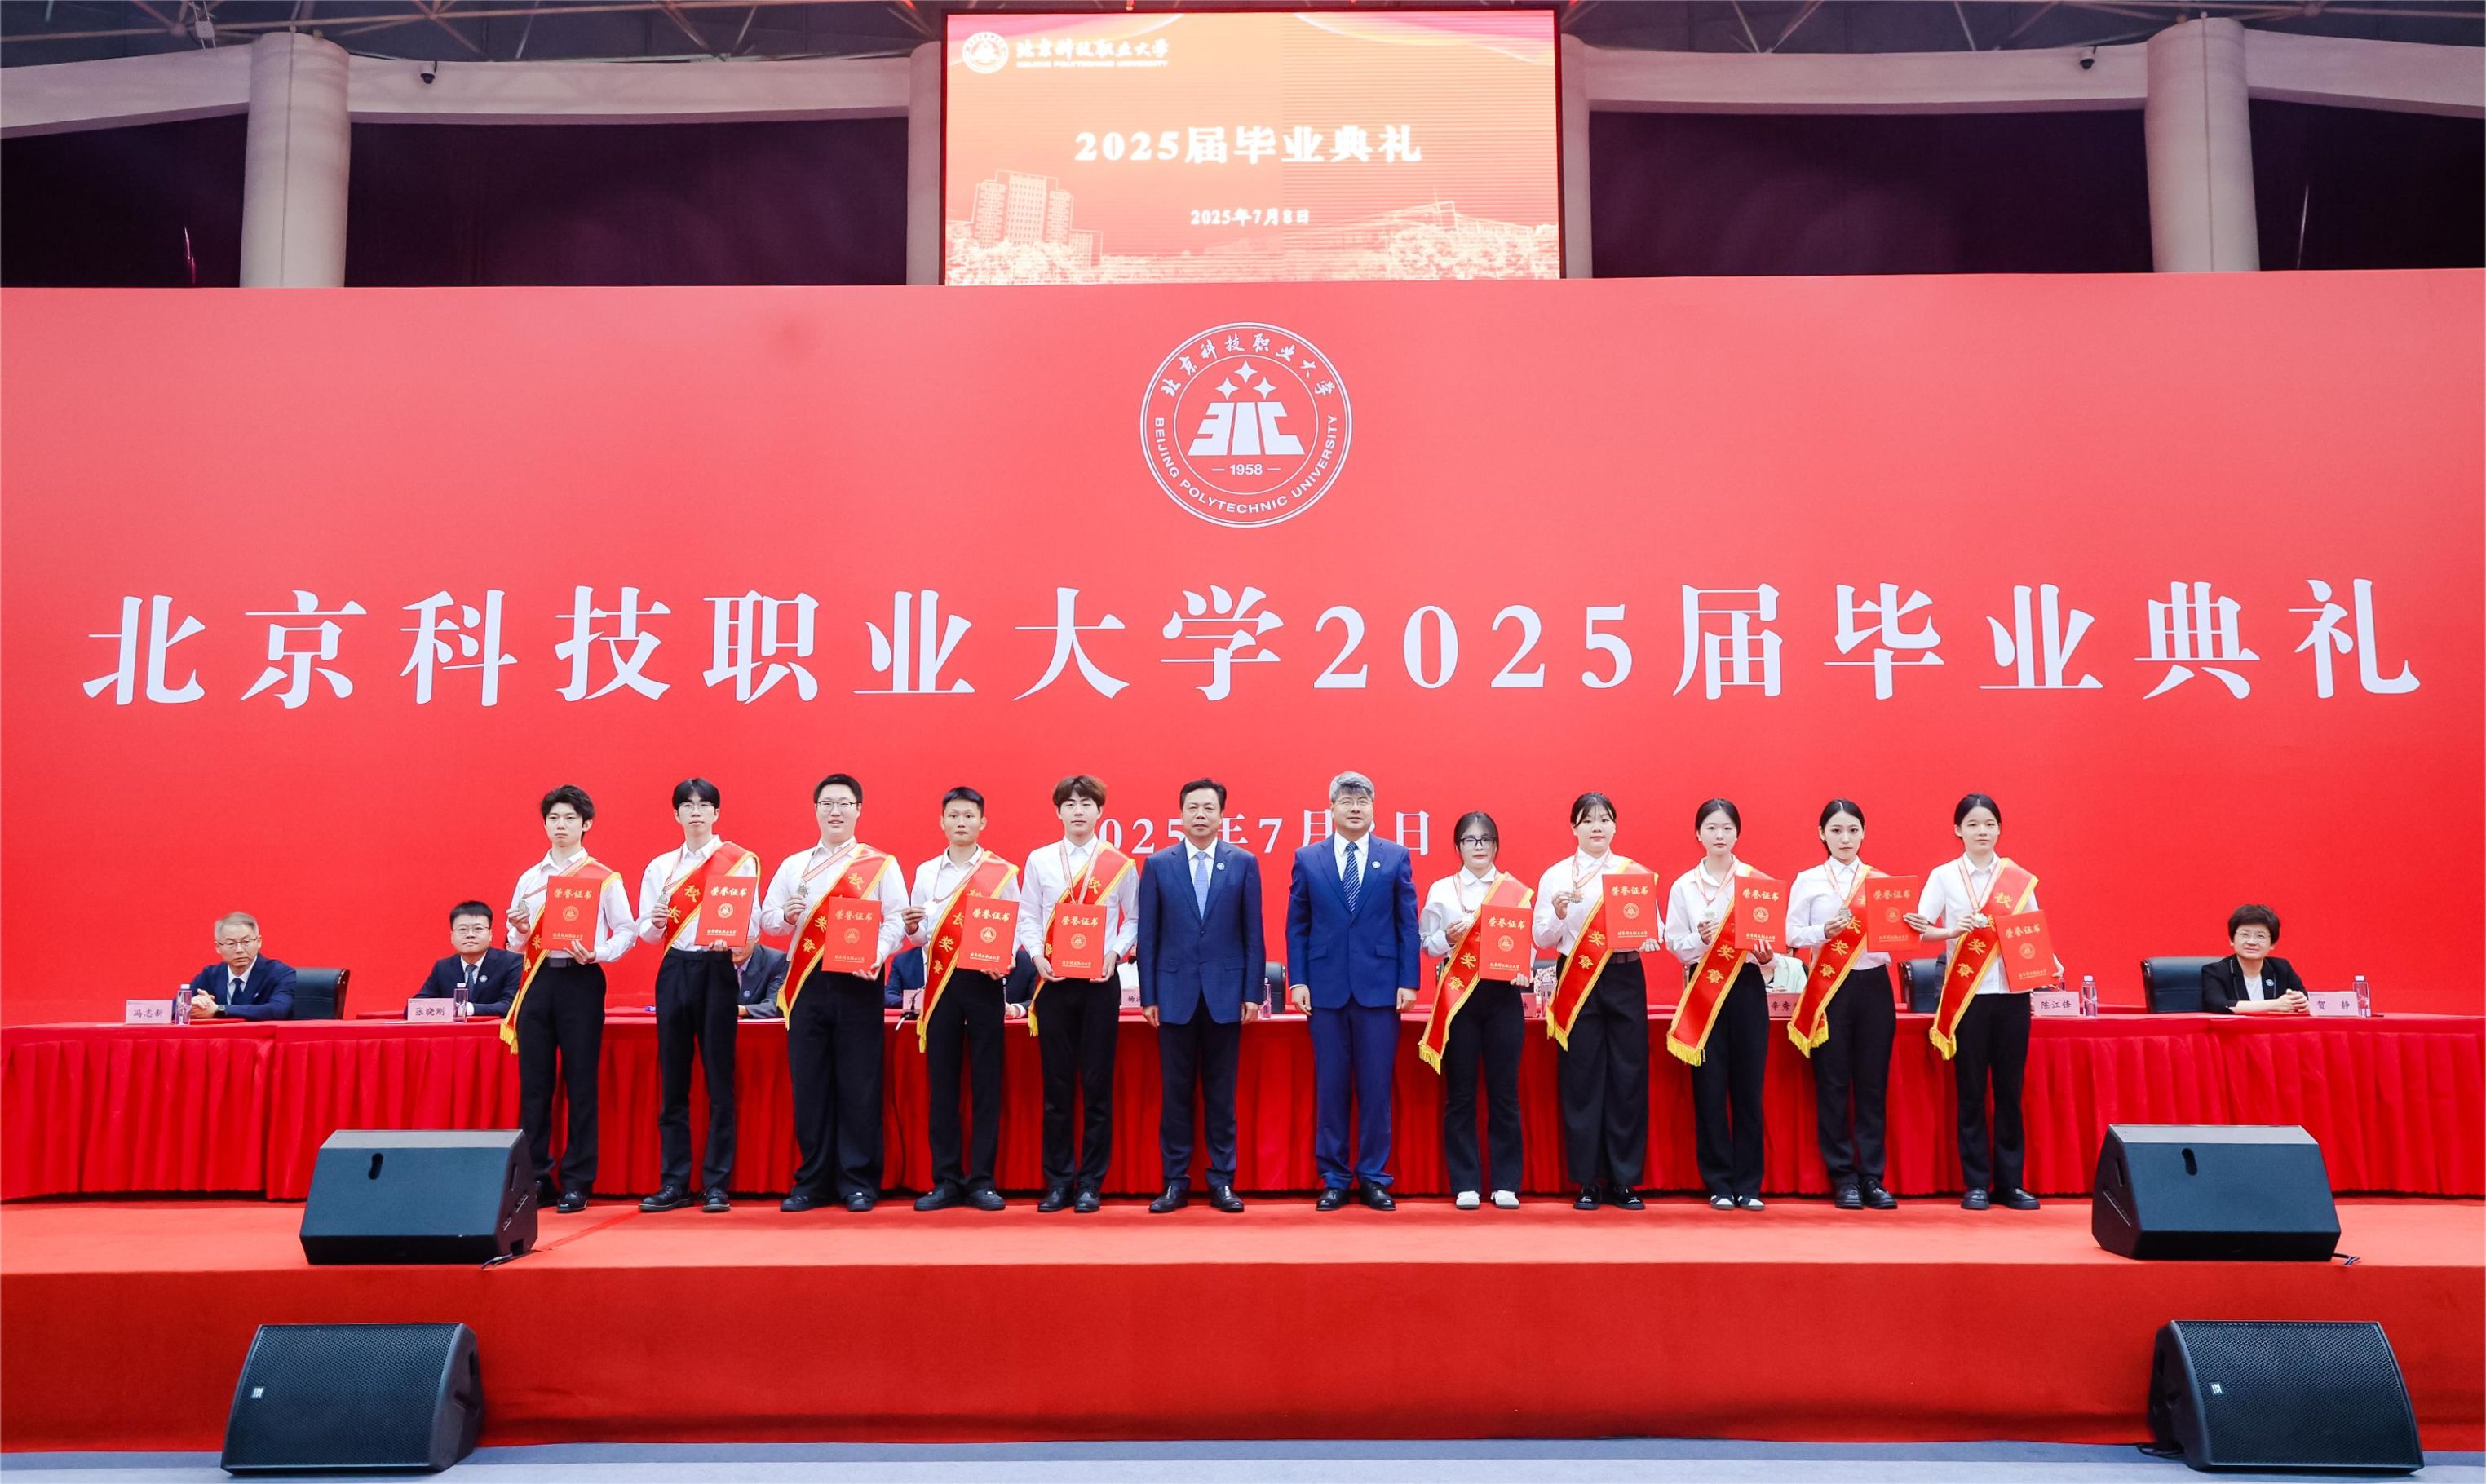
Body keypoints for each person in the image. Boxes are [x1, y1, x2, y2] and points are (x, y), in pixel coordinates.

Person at [757, 772, 905, 1214]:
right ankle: (813, 1182)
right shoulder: (794, 865)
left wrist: (876, 954)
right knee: (811, 1084)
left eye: (844, 804)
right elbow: (767, 920)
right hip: (806, 982)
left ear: (859, 810)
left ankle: (858, 1182)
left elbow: (896, 920)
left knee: (860, 1084)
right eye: (827, 804)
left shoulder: (880, 864)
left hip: (859, 981)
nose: (835, 811)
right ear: (816, 810)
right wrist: (786, 916)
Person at [1905, 792, 2051, 1212]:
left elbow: (2032, 933)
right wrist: (1953, 931)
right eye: (1972, 824)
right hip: (1968, 996)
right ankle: (1975, 1184)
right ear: (1958, 830)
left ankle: (2011, 1183)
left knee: (2009, 1091)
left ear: (1999, 829)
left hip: (2012, 995)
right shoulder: (1944, 876)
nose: (1981, 831)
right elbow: (1919, 929)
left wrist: (2047, 965)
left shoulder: (2017, 879)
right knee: (1970, 1092)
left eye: (1989, 824)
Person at [1285, 771, 1419, 1212]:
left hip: (1380, 990)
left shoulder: (1395, 856)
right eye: (1346, 801)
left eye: (1363, 801)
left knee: (1377, 1089)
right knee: (1332, 1088)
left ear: (1374, 808)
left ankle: (1375, 1177)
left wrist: (1408, 980)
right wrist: (1298, 980)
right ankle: (1335, 1178)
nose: (1355, 808)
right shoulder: (1309, 858)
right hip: (1325, 991)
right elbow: (1298, 925)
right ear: (1331, 809)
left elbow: (1407, 924)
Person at [502, 784, 636, 1213]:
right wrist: (520, 929)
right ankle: (537, 1178)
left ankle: (578, 1181)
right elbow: (513, 943)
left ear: (586, 824)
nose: (560, 826)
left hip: (581, 980)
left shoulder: (603, 877)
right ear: (545, 824)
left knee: (581, 1084)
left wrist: (599, 952)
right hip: (538, 981)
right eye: (554, 818)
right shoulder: (530, 878)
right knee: (535, 1086)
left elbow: (627, 931)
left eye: (570, 819)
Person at [1135, 777, 1265, 1214]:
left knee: (1221, 1096)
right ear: (1181, 814)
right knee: (1176, 1096)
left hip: (1226, 996)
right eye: (1193, 807)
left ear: (1222, 815)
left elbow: (1253, 933)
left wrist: (1252, 992)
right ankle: (1175, 1182)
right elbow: (1148, 936)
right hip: (1173, 995)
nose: (1201, 815)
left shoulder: (1243, 863)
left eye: (1209, 808)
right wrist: (1149, 995)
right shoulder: (1159, 864)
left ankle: (1222, 1181)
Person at [634, 778, 761, 1217]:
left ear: (716, 813)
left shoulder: (738, 862)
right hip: (675, 968)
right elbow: (647, 932)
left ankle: (716, 1184)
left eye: (704, 805)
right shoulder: (661, 867)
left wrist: (738, 935)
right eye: (687, 806)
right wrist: (653, 921)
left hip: (717, 969)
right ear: (676, 815)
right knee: (674, 1079)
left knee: (720, 1079)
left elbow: (753, 923)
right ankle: (674, 1181)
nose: (696, 813)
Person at [1015, 775, 1138, 1215]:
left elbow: (1134, 919)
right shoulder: (1040, 860)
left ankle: (1090, 1184)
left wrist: (1115, 953)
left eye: (1086, 804)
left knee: (1097, 1087)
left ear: (1100, 811)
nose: (1078, 811)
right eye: (1070, 804)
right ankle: (1058, 1182)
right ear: (1058, 811)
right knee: (1057, 1087)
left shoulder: (1119, 864)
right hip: (1053, 984)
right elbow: (1027, 915)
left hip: (1100, 985)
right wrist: (1036, 956)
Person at [1533, 792, 1657, 1212]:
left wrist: (1647, 935)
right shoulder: (1555, 876)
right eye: (1588, 820)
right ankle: (1587, 1181)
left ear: (1615, 826)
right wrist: (1558, 914)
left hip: (1624, 975)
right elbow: (1541, 938)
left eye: (1604, 819)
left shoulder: (1633, 873)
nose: (1597, 827)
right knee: (1581, 1077)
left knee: (1628, 1077)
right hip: (1577, 976)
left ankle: (1624, 1179)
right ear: (1574, 827)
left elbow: (1654, 929)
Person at [902, 786, 1020, 1212]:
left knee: (987, 1084)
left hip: (985, 983)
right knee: (943, 1085)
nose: (961, 822)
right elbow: (919, 935)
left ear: (982, 822)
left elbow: (1013, 927)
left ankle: (983, 1180)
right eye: (953, 815)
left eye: (969, 815)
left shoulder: (1001, 872)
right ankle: (947, 1179)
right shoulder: (926, 872)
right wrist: (912, 926)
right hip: (939, 986)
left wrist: (1004, 959)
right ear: (942, 822)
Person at [1664, 798, 1779, 1212]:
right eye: (1711, 828)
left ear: (1737, 834)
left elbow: (1771, 949)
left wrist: (1766, 955)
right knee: (1709, 1089)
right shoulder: (1683, 886)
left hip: (1746, 986)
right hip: (1703, 988)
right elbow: (1675, 945)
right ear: (1698, 834)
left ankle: (1748, 1184)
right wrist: (1700, 938)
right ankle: (1718, 1182)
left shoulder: (1756, 883)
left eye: (1727, 828)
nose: (1719, 835)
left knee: (1748, 1087)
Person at [1785, 800, 1898, 1211]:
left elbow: (1897, 940)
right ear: (1822, 834)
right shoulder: (1808, 880)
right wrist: (1823, 931)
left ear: (1864, 833)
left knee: (1872, 1083)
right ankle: (1843, 1177)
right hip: (1829, 986)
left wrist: (1903, 930)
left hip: (1873, 985)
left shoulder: (1881, 882)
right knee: (1832, 1083)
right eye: (1836, 831)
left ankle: (1872, 1177)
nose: (1845, 839)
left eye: (1853, 830)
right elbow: (1790, 933)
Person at [1418, 811, 1534, 1210]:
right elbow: (1426, 944)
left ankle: (1506, 1183)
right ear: (1458, 847)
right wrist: (1446, 939)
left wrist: (1522, 967)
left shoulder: (1516, 891)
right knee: (1461, 1094)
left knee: (1504, 1094)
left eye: (1486, 839)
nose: (1479, 846)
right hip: (1459, 1000)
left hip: (1503, 999)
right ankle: (1466, 1182)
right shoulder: (1442, 890)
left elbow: (1528, 947)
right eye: (1470, 840)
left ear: (1496, 846)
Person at [415, 901, 520, 1018]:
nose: (470, 935)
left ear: (490, 934)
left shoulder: (512, 962)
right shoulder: (443, 967)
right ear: (452, 936)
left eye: (478, 929)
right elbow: (416, 1007)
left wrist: (468, 1009)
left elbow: (511, 1006)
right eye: (462, 929)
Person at [2201, 904, 2308, 1015]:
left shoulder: (2281, 968)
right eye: (2245, 935)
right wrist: (2275, 1005)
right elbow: (2218, 1005)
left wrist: (2301, 1002)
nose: (2251, 942)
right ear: (2231, 940)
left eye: (2260, 936)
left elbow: (2304, 999)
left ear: (2273, 944)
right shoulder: (2216, 971)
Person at [186, 913, 296, 1021]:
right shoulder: (210, 975)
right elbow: (179, 1006)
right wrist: (194, 1005)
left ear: (259, 942)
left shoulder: (280, 973)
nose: (239, 950)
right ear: (218, 947)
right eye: (231, 944)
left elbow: (279, 1010)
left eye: (246, 942)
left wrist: (219, 1010)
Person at [736, 943, 789, 1019]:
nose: (735, 948)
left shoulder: (776, 960)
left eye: (741, 940)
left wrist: (742, 1010)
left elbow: (777, 1005)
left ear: (756, 937)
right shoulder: (717, 959)